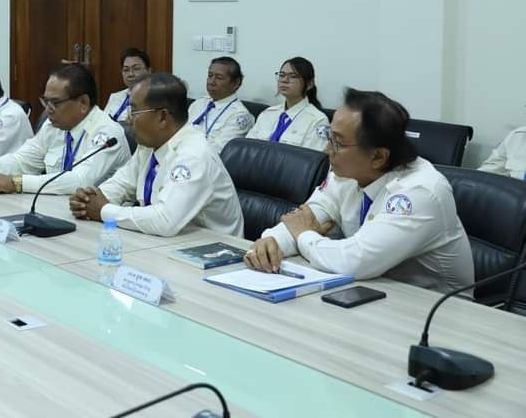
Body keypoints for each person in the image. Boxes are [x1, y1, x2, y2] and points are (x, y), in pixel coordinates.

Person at [246, 88, 474, 293]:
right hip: (371, 290)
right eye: (329, 136)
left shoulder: (420, 191)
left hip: (435, 309)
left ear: (378, 156)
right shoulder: (345, 173)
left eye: (338, 142)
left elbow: (353, 261)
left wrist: (305, 235)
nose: (327, 149)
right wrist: (273, 241)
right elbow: (309, 215)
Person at [70, 73, 244, 237]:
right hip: (166, 241)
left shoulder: (194, 154)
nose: (128, 120)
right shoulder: (149, 145)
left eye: (134, 112)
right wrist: (88, 200)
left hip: (213, 249)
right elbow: (121, 185)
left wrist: (103, 210)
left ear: (162, 117)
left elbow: (165, 220)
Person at [0, 64, 129, 195]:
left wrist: (17, 183)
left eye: (55, 103)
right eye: (46, 101)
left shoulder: (107, 133)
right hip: (53, 207)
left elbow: (80, 181)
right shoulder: (54, 125)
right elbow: (22, 161)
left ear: (83, 103)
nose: (48, 110)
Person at [246, 57, 329, 151]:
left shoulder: (317, 121)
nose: (285, 80)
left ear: (309, 84)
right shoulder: (267, 114)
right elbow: (247, 147)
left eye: (293, 76)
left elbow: (312, 159)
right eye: (282, 75)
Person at [188, 57, 254, 153]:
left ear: (236, 83)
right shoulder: (199, 103)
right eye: (210, 75)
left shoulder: (240, 115)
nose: (211, 82)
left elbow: (218, 150)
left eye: (219, 78)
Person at [103, 48, 150, 123]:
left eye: (136, 69)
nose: (130, 74)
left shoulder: (153, 99)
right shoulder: (115, 97)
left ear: (148, 71)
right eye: (126, 70)